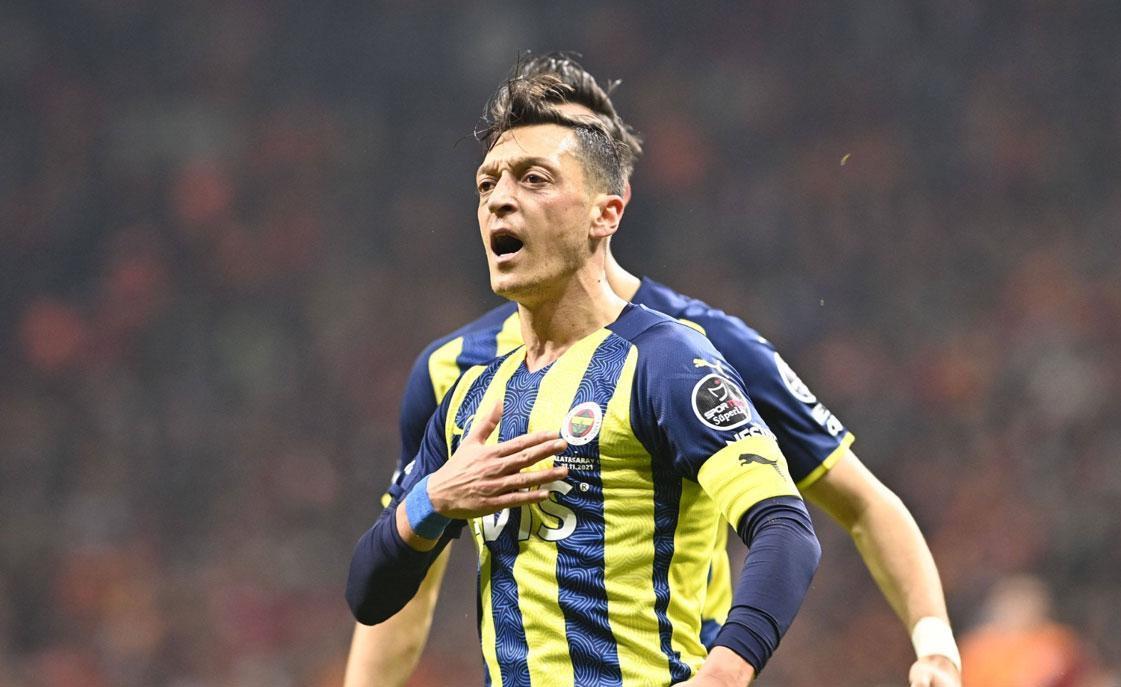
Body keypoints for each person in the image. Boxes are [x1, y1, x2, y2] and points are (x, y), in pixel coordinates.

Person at [345, 55, 962, 687]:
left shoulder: (688, 352)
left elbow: (838, 510)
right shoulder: (459, 378)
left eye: (537, 175)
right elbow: (393, 587)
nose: (503, 197)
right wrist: (433, 499)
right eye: (489, 181)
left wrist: (934, 646)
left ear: (609, 205)